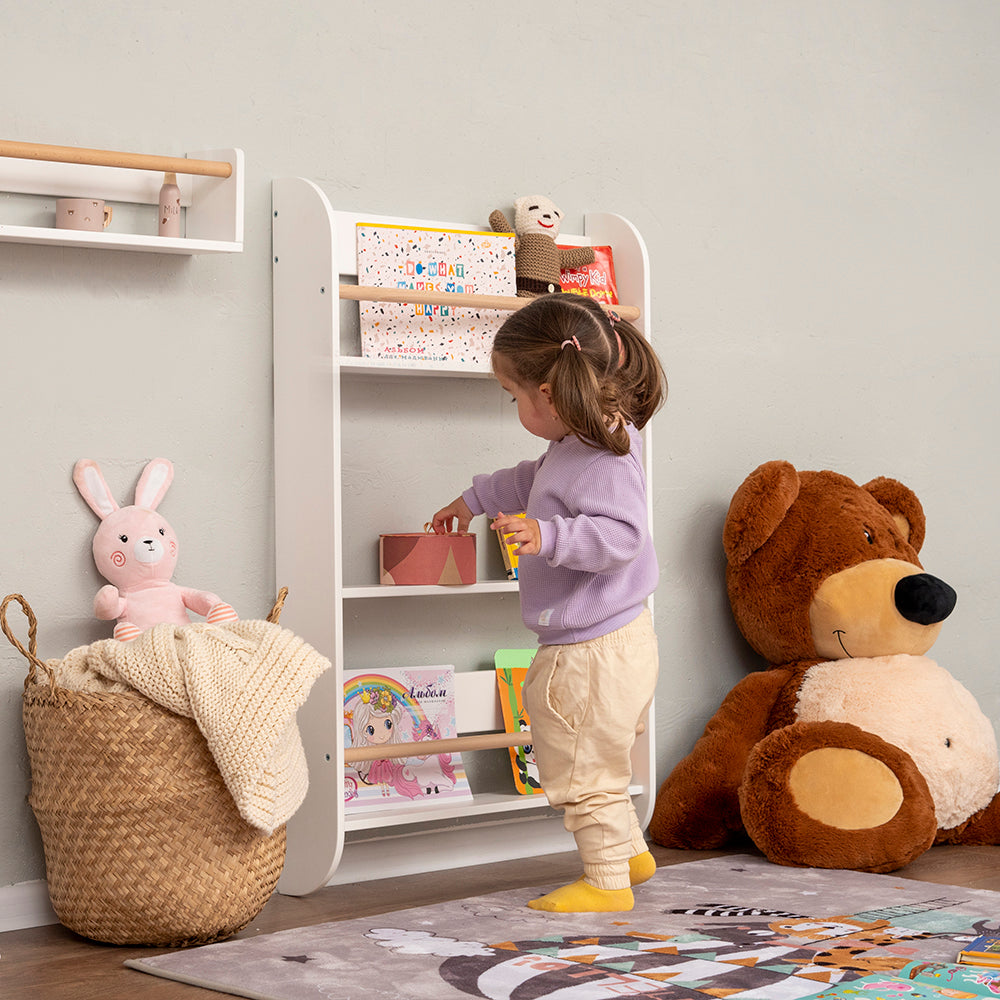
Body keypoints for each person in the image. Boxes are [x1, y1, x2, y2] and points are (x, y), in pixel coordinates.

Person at [431, 292, 666, 912]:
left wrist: (549, 535)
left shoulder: (603, 459)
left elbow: (623, 536)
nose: (514, 407)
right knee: (589, 747)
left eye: (514, 396)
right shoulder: (588, 441)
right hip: (613, 638)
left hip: (593, 646)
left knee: (577, 760)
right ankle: (628, 851)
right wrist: (473, 499)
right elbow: (532, 479)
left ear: (550, 394)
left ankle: (608, 882)